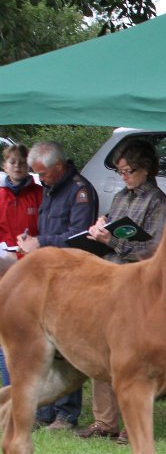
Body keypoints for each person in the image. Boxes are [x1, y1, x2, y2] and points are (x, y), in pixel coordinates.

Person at [75, 140, 166, 442]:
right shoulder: (119, 197)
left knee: (135, 357)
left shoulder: (160, 203)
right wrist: (98, 230)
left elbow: (154, 253)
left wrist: (111, 241)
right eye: (120, 171)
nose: (124, 177)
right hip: (110, 279)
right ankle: (104, 421)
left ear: (147, 170)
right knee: (101, 348)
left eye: (128, 171)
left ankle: (134, 424)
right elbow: (113, 232)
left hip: (139, 285)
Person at [18, 141, 99, 428]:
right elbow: (49, 228)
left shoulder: (79, 191)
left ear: (59, 167)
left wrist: (41, 242)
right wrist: (31, 239)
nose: (40, 179)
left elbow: (78, 236)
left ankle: (67, 413)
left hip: (71, 276)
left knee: (67, 344)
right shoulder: (51, 188)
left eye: (43, 173)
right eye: (36, 174)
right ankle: (45, 410)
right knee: (47, 342)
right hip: (49, 275)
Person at [0, 142, 42, 384]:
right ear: (5, 165)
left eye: (22, 162)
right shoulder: (1, 196)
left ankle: (35, 386)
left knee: (29, 327)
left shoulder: (39, 194)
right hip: (5, 268)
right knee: (7, 327)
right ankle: (10, 384)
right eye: (13, 162)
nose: (17, 166)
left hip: (33, 268)